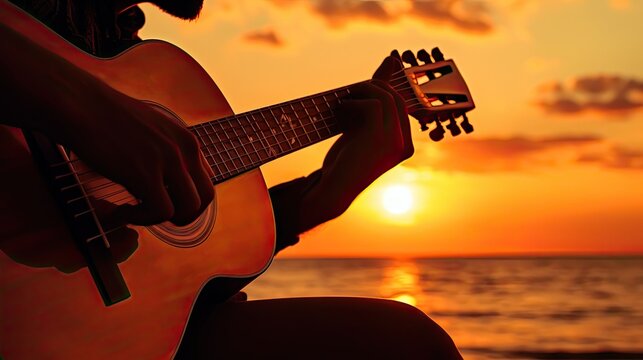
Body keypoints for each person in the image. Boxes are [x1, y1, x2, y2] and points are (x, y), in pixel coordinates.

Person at [0, 0, 462, 358]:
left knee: (400, 344)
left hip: (68, 328)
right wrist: (82, 104)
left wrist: (319, 196)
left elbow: (178, 272)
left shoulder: (129, 57)